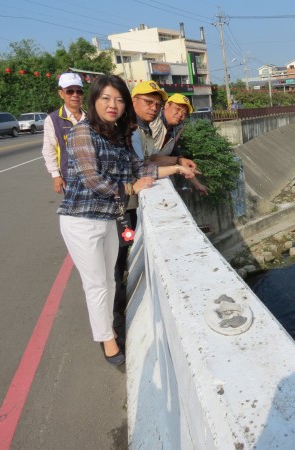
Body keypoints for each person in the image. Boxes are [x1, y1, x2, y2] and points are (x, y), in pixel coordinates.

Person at [57, 74, 194, 366]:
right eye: (106, 98)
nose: (112, 105)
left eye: (118, 99)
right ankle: (107, 340)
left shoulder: (118, 136)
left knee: (108, 279)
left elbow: (141, 168)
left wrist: (179, 169)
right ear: (94, 101)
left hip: (107, 218)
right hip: (80, 220)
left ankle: (107, 328)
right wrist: (131, 188)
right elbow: (93, 180)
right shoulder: (82, 132)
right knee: (96, 284)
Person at [112, 81, 200, 334]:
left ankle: (118, 313)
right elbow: (142, 167)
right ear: (133, 101)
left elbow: (145, 164)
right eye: (148, 102)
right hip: (121, 202)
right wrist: (177, 167)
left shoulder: (147, 128)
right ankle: (116, 324)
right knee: (116, 262)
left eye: (156, 104)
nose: (153, 108)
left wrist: (180, 166)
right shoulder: (130, 130)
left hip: (129, 200)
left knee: (122, 257)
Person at [150, 93, 208, 195]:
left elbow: (178, 158)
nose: (181, 114)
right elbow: (149, 157)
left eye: (184, 113)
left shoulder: (175, 129)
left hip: (154, 171)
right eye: (177, 109)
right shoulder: (153, 121)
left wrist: (197, 184)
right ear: (167, 105)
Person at [41, 72, 86, 193]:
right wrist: (56, 176)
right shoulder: (52, 120)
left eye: (79, 91)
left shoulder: (91, 118)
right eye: (70, 91)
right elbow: (49, 150)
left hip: (94, 176)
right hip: (70, 178)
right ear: (61, 94)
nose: (75, 95)